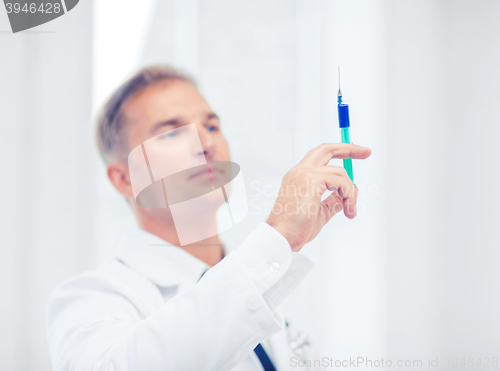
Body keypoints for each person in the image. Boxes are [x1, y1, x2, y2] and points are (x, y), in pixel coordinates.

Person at [46, 65, 372, 370]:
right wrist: (279, 237)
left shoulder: (280, 300)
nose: (206, 144)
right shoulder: (91, 299)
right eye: (171, 133)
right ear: (124, 179)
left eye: (211, 126)